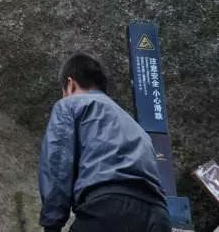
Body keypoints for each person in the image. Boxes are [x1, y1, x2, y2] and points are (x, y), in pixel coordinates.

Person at [39, 53, 171, 232]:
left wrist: (51, 224)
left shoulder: (70, 105)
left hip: (110, 209)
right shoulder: (135, 125)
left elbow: (58, 162)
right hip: (159, 216)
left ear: (70, 85)